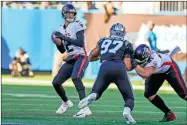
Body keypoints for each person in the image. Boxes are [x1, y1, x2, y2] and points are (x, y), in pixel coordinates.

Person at [78, 23, 136, 124]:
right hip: (119, 67)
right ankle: (127, 111)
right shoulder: (126, 43)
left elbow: (90, 56)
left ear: (111, 31)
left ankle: (93, 95)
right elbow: (127, 66)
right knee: (129, 97)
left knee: (96, 92)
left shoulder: (103, 41)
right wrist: (134, 63)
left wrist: (104, 57)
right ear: (123, 33)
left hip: (105, 66)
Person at [51, 4, 92, 118]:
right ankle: (65, 102)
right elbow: (62, 49)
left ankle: (85, 108)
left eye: (72, 13)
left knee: (76, 77)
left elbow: (80, 42)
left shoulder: (77, 24)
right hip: (71, 57)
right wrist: (57, 43)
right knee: (56, 82)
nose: (71, 15)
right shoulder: (60, 28)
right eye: (68, 13)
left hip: (81, 56)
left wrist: (64, 38)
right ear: (64, 14)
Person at [132, 44, 187, 122]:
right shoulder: (138, 54)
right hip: (157, 71)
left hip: (169, 68)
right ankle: (169, 114)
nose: (139, 63)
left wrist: (133, 63)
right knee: (149, 94)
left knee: (184, 94)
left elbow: (145, 74)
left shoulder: (154, 59)